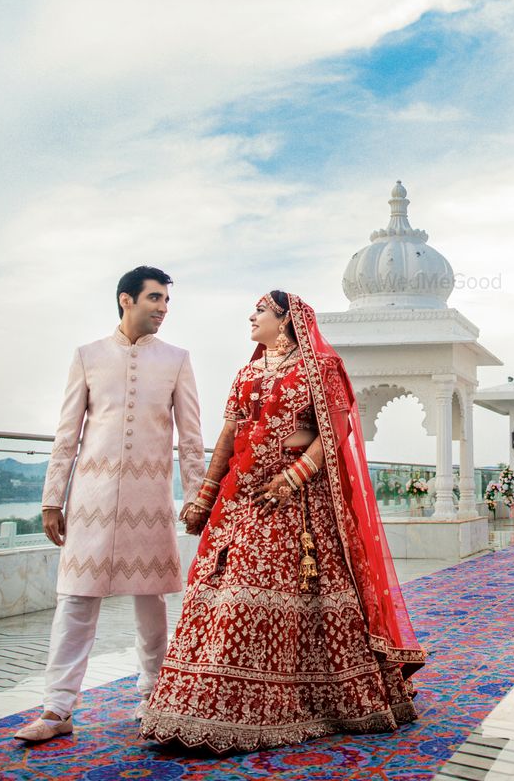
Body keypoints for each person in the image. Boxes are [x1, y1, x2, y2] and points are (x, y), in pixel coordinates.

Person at [141, 290, 426, 753]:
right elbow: (230, 435)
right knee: (220, 591)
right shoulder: (247, 372)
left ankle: (279, 704)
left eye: (260, 311)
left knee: (271, 595)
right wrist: (205, 495)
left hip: (297, 502)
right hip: (243, 499)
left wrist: (293, 478)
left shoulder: (320, 368)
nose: (251, 316)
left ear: (286, 320)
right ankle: (204, 703)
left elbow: (336, 430)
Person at [14, 266, 205, 742]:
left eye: (166, 301)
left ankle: (153, 697)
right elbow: (66, 436)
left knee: (151, 602)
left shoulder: (177, 359)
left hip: (151, 499)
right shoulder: (88, 356)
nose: (163, 308)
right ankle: (57, 710)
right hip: (91, 501)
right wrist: (51, 499)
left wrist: (199, 498)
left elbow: (192, 440)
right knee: (75, 600)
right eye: (155, 298)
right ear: (126, 300)